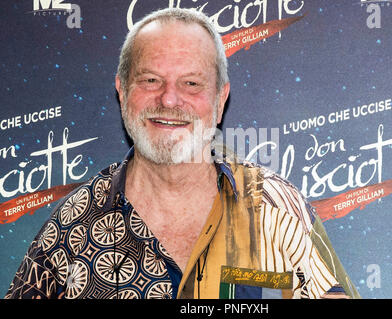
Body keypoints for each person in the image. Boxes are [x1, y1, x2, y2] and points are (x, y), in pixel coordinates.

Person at [5, 8, 360, 299]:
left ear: (220, 100)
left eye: (191, 83)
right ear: (122, 91)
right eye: (150, 80)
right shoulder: (71, 224)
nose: (169, 99)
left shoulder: (277, 204)